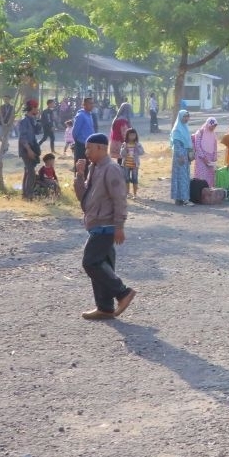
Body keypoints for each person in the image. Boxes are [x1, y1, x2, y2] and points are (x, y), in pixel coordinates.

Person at [73, 132, 137, 321]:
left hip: (106, 225)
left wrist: (119, 226)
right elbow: (83, 198)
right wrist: (80, 175)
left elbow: (120, 199)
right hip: (96, 224)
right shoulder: (95, 168)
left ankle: (123, 292)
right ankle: (105, 308)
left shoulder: (111, 169)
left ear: (101, 148)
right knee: (103, 266)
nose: (86, 152)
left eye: (89, 148)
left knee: (90, 262)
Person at [17, 100, 43, 200]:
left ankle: (25, 194)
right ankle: (28, 195)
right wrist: (29, 150)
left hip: (31, 148)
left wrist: (38, 119)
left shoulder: (32, 120)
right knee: (31, 172)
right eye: (36, 108)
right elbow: (23, 138)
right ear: (32, 108)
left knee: (28, 171)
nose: (38, 109)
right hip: (26, 149)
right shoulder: (24, 121)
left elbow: (38, 131)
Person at [169, 109, 193, 206]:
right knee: (181, 177)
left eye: (187, 116)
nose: (186, 118)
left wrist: (190, 154)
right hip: (180, 157)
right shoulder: (177, 130)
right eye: (184, 116)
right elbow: (176, 145)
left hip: (185, 156)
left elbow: (188, 143)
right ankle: (184, 199)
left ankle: (180, 198)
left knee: (185, 177)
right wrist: (182, 156)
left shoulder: (185, 128)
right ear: (180, 117)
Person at [192, 117, 219, 187]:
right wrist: (204, 158)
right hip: (201, 158)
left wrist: (215, 157)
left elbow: (215, 146)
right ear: (208, 124)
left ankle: (209, 193)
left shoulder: (213, 134)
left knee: (210, 177)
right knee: (202, 177)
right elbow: (197, 146)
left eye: (215, 126)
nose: (213, 127)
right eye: (212, 126)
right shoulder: (200, 132)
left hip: (210, 159)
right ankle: (200, 193)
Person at [119, 128, 145, 199]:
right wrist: (125, 148)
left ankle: (135, 194)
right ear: (127, 136)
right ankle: (127, 193)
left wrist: (137, 147)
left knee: (135, 179)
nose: (132, 136)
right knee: (126, 179)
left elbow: (142, 152)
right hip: (126, 164)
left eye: (134, 135)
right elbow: (122, 154)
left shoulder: (138, 144)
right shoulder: (124, 144)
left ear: (136, 136)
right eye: (130, 135)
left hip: (135, 165)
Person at [72, 97, 96, 163]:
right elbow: (75, 132)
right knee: (81, 166)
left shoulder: (90, 115)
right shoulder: (81, 115)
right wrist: (78, 142)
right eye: (90, 103)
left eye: (93, 103)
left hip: (89, 145)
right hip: (81, 145)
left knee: (88, 166)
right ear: (84, 104)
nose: (92, 105)